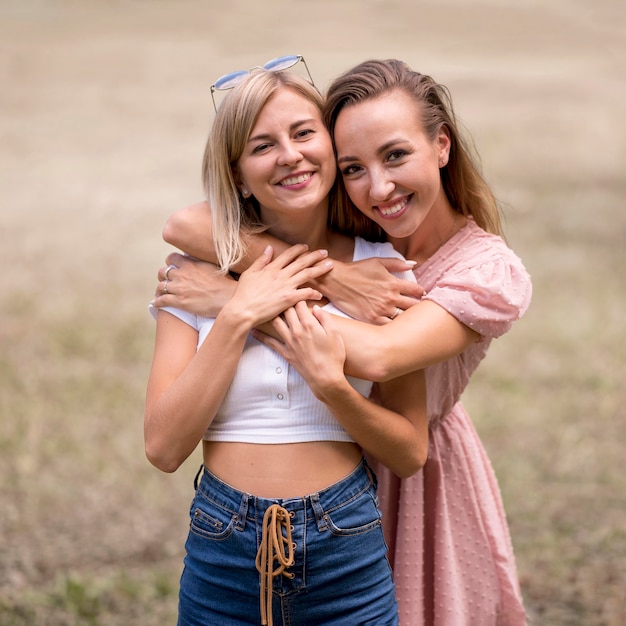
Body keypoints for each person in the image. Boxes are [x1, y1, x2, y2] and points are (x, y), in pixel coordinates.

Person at [154, 59, 532, 626]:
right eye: (355, 166)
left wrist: (237, 305)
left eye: (397, 155)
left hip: (381, 497)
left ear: (442, 146)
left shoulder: (433, 267)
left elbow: (380, 360)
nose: (379, 187)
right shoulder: (363, 231)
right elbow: (183, 224)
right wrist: (329, 277)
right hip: (229, 527)